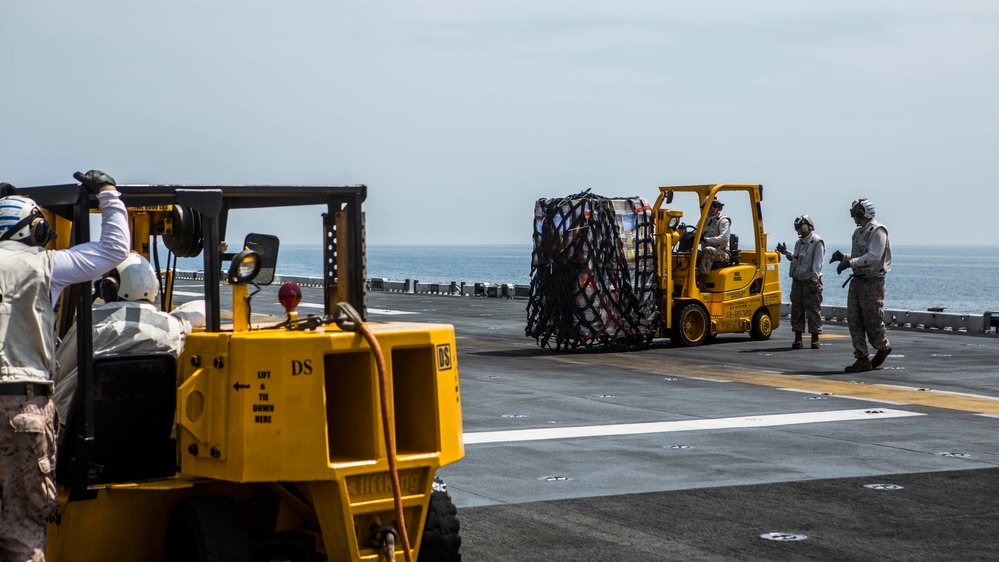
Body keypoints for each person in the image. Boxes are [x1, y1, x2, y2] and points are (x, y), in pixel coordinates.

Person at [0, 171, 129, 562]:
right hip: (24, 407)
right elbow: (114, 248)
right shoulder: (47, 266)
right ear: (35, 230)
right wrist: (108, 195)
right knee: (22, 529)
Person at [52, 252, 206, 427]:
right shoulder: (170, 327)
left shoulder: (90, 324)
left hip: (77, 433)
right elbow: (198, 310)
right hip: (143, 434)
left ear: (108, 287)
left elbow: (58, 373)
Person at [830, 198, 893, 373]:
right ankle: (862, 358)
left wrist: (850, 263)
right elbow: (861, 255)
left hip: (872, 282)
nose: (853, 217)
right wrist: (844, 257)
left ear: (863, 212)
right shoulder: (858, 233)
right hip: (858, 282)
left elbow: (873, 256)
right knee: (854, 321)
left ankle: (883, 347)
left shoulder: (878, 231)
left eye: (855, 213)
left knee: (873, 320)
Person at [776, 214, 825, 349]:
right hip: (798, 280)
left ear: (807, 226)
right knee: (797, 310)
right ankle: (798, 338)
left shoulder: (816, 242)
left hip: (810, 280)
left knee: (813, 310)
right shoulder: (799, 243)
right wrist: (785, 252)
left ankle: (815, 339)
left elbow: (817, 263)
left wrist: (814, 280)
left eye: (800, 228)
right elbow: (797, 259)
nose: (798, 231)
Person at [696, 199, 730, 288]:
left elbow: (725, 238)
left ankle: (701, 280)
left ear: (718, 207)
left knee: (708, 250)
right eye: (710, 205)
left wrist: (707, 240)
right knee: (691, 253)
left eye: (715, 205)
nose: (712, 208)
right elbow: (695, 232)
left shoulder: (723, 221)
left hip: (722, 253)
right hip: (707, 252)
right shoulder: (703, 220)